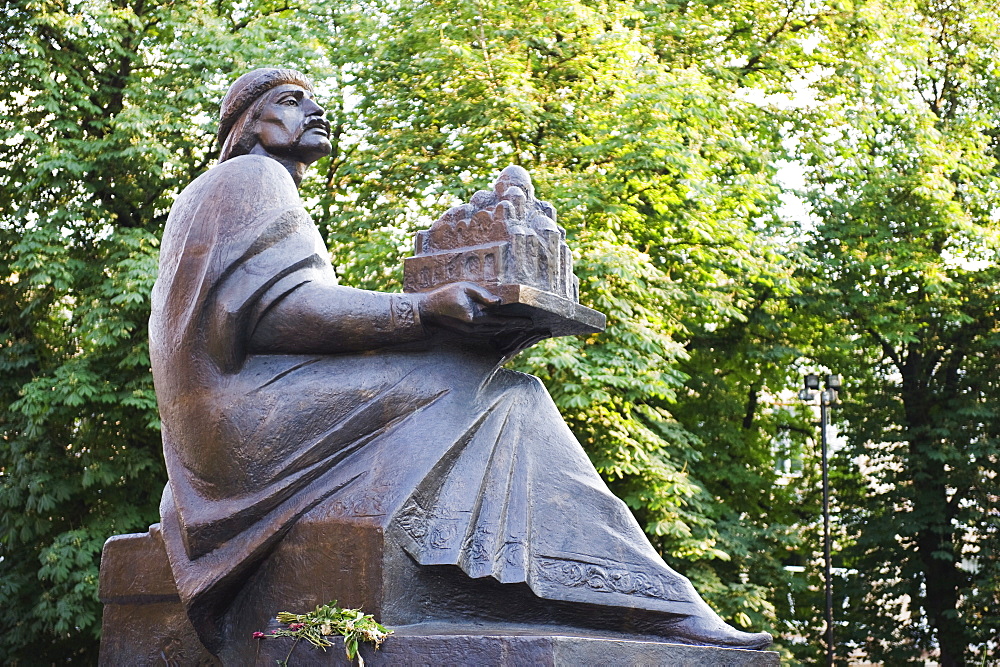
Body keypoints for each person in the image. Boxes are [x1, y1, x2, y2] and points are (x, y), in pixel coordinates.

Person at [150, 67, 772, 657]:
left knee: (471, 375)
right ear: (251, 125)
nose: (317, 109)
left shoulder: (230, 192)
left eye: (314, 100)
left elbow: (283, 322)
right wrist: (421, 313)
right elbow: (277, 314)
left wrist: (456, 324)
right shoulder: (251, 180)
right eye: (290, 101)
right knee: (503, 395)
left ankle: (579, 585)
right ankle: (644, 600)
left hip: (230, 418)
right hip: (238, 427)